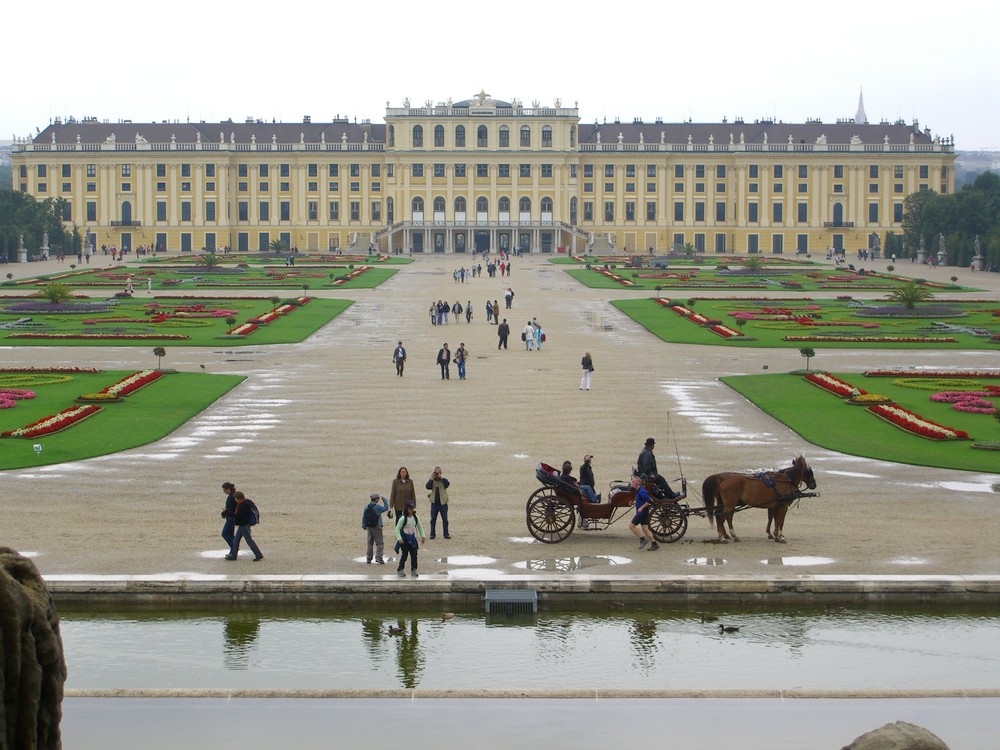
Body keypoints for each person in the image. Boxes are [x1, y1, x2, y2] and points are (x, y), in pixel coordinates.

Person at [225, 491, 264, 561]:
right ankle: (233, 555)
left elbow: (238, 517)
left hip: (244, 525)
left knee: (248, 540)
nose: (235, 500)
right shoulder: (248, 502)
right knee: (236, 540)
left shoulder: (242, 506)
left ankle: (258, 554)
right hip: (246, 524)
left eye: (236, 499)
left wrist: (227, 512)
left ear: (239, 499)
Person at [627, 476, 659, 551]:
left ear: (638, 482)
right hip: (644, 514)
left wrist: (641, 508)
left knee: (631, 527)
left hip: (641, 514)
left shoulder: (641, 491)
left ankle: (643, 539)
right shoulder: (638, 491)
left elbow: (649, 501)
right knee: (645, 530)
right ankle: (654, 544)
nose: (632, 483)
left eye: (633, 482)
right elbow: (641, 501)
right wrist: (633, 503)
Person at [395, 501, 426, 577]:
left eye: (412, 508)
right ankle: (400, 569)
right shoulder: (403, 518)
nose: (411, 510)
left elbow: (420, 527)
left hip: (412, 538)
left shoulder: (415, 517)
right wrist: (399, 538)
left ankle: (414, 569)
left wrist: (423, 536)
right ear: (407, 509)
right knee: (404, 555)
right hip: (404, 539)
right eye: (410, 508)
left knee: (414, 555)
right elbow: (397, 528)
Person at [362, 492, 389, 564]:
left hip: (369, 527)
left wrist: (364, 525)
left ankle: (369, 558)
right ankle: (379, 558)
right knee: (379, 543)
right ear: (376, 499)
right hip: (377, 527)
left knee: (370, 543)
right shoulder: (378, 507)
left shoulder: (366, 507)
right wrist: (385, 500)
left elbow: (364, 517)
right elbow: (386, 507)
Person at [426, 466, 451, 539]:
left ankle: (446, 534)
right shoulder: (432, 481)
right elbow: (427, 487)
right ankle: (432, 534)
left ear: (441, 473)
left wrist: (441, 478)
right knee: (433, 519)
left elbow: (447, 484)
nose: (437, 474)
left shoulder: (444, 480)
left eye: (438, 472)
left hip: (443, 504)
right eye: (436, 473)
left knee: (445, 520)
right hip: (434, 503)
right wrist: (431, 478)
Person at [220, 481, 237, 549]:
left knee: (224, 534)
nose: (224, 491)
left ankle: (234, 548)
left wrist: (225, 511)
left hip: (231, 518)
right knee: (230, 535)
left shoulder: (231, 497)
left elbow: (231, 509)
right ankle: (233, 550)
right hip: (231, 518)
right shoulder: (233, 496)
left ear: (228, 489)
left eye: (224, 490)